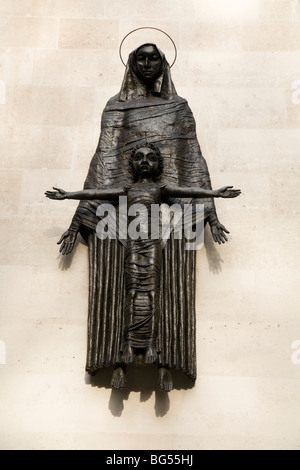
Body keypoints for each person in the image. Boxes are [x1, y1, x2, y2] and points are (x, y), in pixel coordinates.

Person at [51, 43, 234, 389]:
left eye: (154, 58)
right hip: (120, 220)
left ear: (164, 64)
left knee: (167, 286)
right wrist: (77, 219)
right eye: (141, 57)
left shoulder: (178, 108)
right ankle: (116, 356)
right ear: (132, 63)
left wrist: (210, 212)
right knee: (122, 284)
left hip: (171, 219)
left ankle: (167, 356)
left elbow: (191, 159)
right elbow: (103, 163)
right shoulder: (116, 107)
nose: (147, 63)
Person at [46, 144, 240, 390]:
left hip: (153, 247)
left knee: (151, 293)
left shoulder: (160, 188)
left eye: (150, 157)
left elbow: (188, 191)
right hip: (132, 246)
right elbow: (95, 194)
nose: (144, 161)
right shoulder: (128, 188)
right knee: (131, 292)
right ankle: (126, 348)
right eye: (138, 157)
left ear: (159, 164)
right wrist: (68, 195)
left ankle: (153, 350)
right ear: (132, 164)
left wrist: (215, 194)